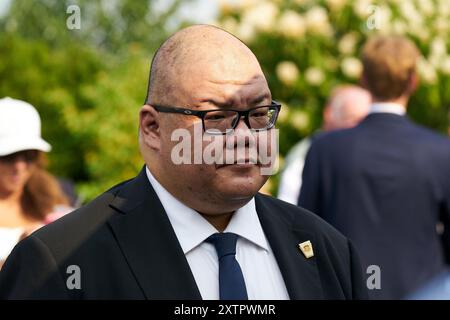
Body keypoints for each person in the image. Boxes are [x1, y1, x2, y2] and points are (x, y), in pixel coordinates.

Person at [0, 25, 367, 300]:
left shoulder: (326, 248)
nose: (244, 136)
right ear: (153, 128)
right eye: (218, 116)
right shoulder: (61, 261)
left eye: (258, 113)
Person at [299, 35, 450, 299]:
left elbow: (304, 234)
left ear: (363, 79)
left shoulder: (325, 150)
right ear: (413, 81)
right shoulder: (440, 151)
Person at [0, 97, 71, 269]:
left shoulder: (52, 202)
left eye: (29, 156)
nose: (19, 167)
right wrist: (19, 256)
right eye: (9, 156)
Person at [278, 85, 370, 205]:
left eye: (366, 122)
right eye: (354, 120)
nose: (361, 129)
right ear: (329, 114)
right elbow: (288, 207)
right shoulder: (304, 155)